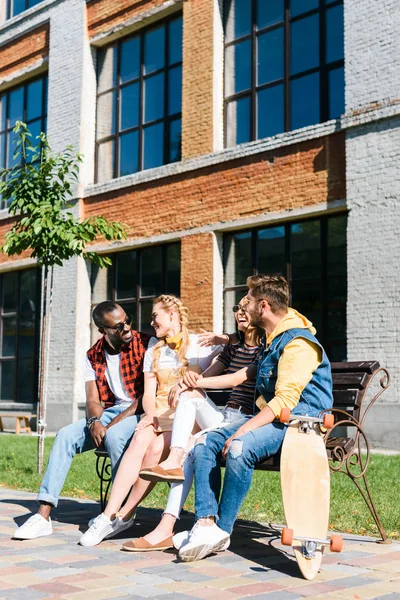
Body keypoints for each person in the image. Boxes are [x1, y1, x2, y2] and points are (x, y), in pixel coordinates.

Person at [177, 274, 334, 562]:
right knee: (204, 443)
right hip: (274, 417)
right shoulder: (271, 340)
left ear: (262, 306)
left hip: (300, 423)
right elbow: (241, 374)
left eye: (247, 301)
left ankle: (221, 531)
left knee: (238, 448)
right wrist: (196, 382)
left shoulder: (297, 343)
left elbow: (286, 401)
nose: (242, 307)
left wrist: (242, 430)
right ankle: (205, 523)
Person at [120, 297, 263, 551]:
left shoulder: (264, 349)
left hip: (245, 420)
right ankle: (172, 472)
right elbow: (207, 375)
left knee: (190, 437)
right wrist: (187, 383)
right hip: (223, 416)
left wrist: (190, 382)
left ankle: (166, 525)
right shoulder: (232, 348)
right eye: (236, 309)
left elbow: (235, 379)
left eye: (244, 309)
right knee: (188, 405)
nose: (239, 313)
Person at [79, 294, 222, 547]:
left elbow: (236, 348)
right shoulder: (154, 349)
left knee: (156, 448)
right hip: (159, 413)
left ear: (172, 315)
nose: (151, 323)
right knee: (140, 439)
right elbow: (149, 393)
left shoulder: (199, 344)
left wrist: (225, 339)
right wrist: (151, 416)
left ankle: (124, 514)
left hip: (185, 418)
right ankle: (108, 514)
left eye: (155, 316)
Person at [13, 301, 150, 541]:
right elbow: (92, 399)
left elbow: (145, 397)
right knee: (65, 435)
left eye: (128, 321)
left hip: (139, 410)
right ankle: (43, 515)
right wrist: (94, 422)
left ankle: (119, 513)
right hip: (108, 411)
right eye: (119, 326)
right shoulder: (93, 355)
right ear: (103, 330)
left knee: (115, 436)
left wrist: (113, 423)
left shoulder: (147, 344)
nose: (127, 328)